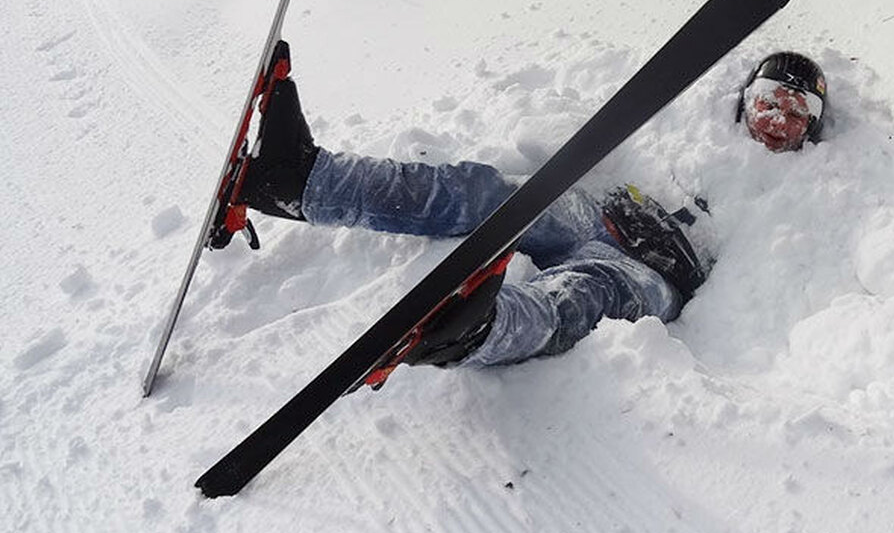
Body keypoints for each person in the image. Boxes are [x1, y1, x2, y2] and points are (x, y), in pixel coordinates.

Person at [240, 51, 829, 381]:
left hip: (655, 280)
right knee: (486, 192)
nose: (778, 117)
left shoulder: (807, 198)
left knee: (581, 295)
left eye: (797, 110)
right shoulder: (692, 138)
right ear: (744, 100)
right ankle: (302, 181)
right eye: (768, 100)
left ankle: (479, 330)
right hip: (603, 215)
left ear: (816, 125)